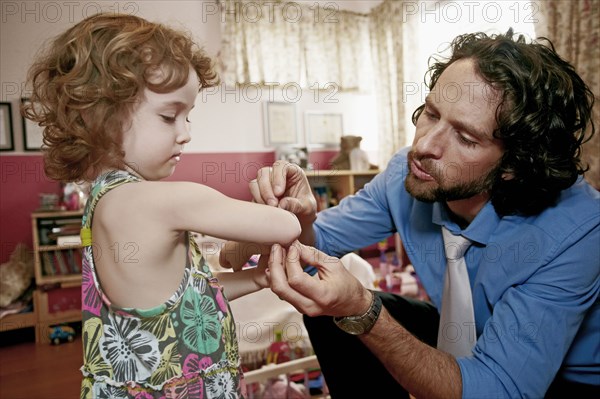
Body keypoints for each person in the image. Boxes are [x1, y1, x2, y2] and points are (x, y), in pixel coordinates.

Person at [226, 30, 600, 398]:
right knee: (329, 311)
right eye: (431, 114)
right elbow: (314, 253)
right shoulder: (406, 177)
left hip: (561, 378)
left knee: (362, 311)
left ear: (514, 164)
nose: (424, 145)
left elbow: (499, 389)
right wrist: (302, 220)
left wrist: (364, 311)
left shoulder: (578, 229)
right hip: (467, 334)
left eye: (466, 138)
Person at [21, 13, 301, 398]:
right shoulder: (160, 200)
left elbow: (186, 303)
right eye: (170, 116)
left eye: (188, 116)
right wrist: (277, 192)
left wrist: (256, 278)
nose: (186, 134)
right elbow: (285, 227)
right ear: (101, 116)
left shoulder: (102, 202)